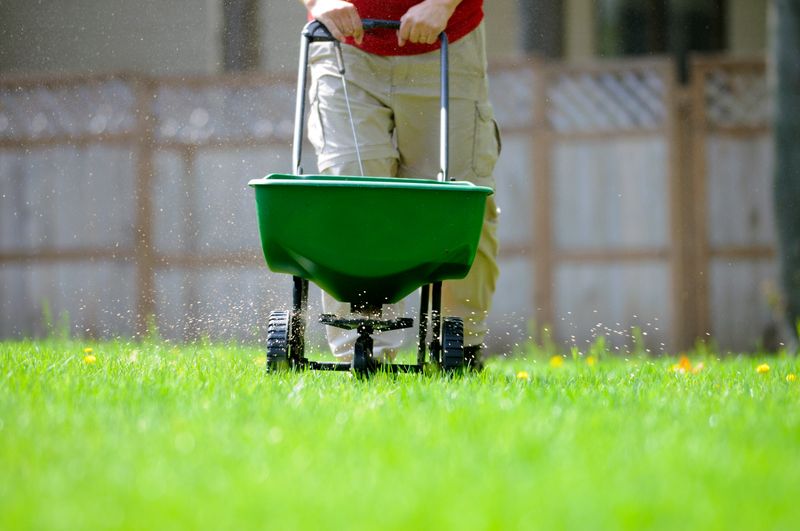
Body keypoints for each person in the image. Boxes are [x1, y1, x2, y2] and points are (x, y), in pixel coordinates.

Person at [298, 0, 500, 368]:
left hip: (447, 41)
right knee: (353, 192)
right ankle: (364, 350)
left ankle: (459, 345)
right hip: (345, 49)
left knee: (461, 198)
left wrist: (442, 4)